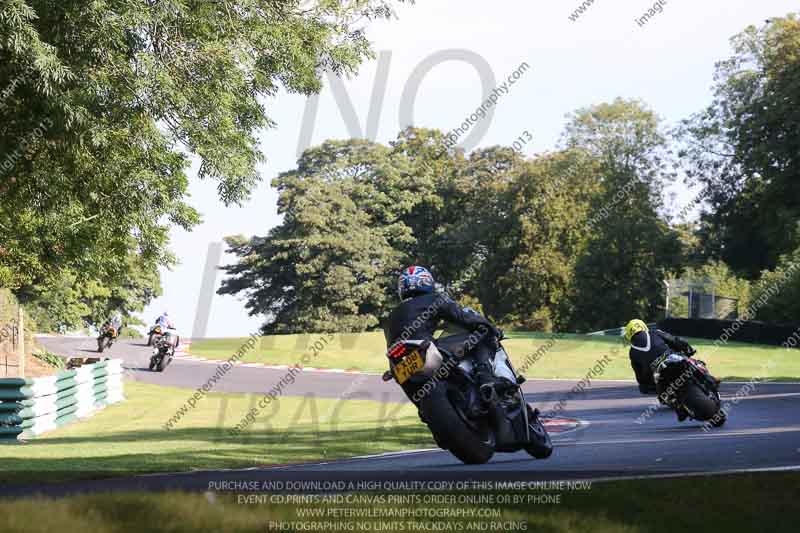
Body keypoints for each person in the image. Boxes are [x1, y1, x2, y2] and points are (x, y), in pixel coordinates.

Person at [384, 266, 501, 400]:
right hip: (427, 352)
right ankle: (486, 378)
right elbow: (464, 318)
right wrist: (490, 327)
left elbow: (391, 347)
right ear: (427, 282)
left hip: (400, 367)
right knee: (480, 334)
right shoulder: (434, 299)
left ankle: (426, 408)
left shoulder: (391, 316)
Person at [624, 319, 696, 420]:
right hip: (671, 361)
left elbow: (639, 375)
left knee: (661, 396)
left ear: (629, 335)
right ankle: (709, 381)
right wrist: (688, 348)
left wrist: (645, 385)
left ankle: (680, 408)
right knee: (693, 363)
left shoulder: (632, 352)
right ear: (643, 327)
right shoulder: (655, 332)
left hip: (659, 376)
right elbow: (674, 340)